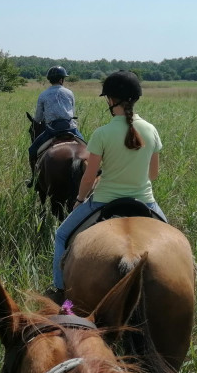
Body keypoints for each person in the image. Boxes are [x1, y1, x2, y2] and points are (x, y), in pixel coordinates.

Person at [49, 70, 167, 294]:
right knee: (174, 242)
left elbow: (89, 176)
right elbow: (153, 175)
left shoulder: (102, 133)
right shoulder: (151, 130)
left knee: (62, 235)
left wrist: (79, 199)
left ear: (111, 100)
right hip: (145, 201)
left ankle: (59, 290)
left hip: (103, 200)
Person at [27, 66, 84, 186]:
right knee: (88, 149)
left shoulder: (43, 95)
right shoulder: (69, 93)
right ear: (61, 80)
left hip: (52, 130)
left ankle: (34, 179)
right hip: (71, 128)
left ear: (49, 80)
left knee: (32, 150)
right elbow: (72, 112)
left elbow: (37, 118)